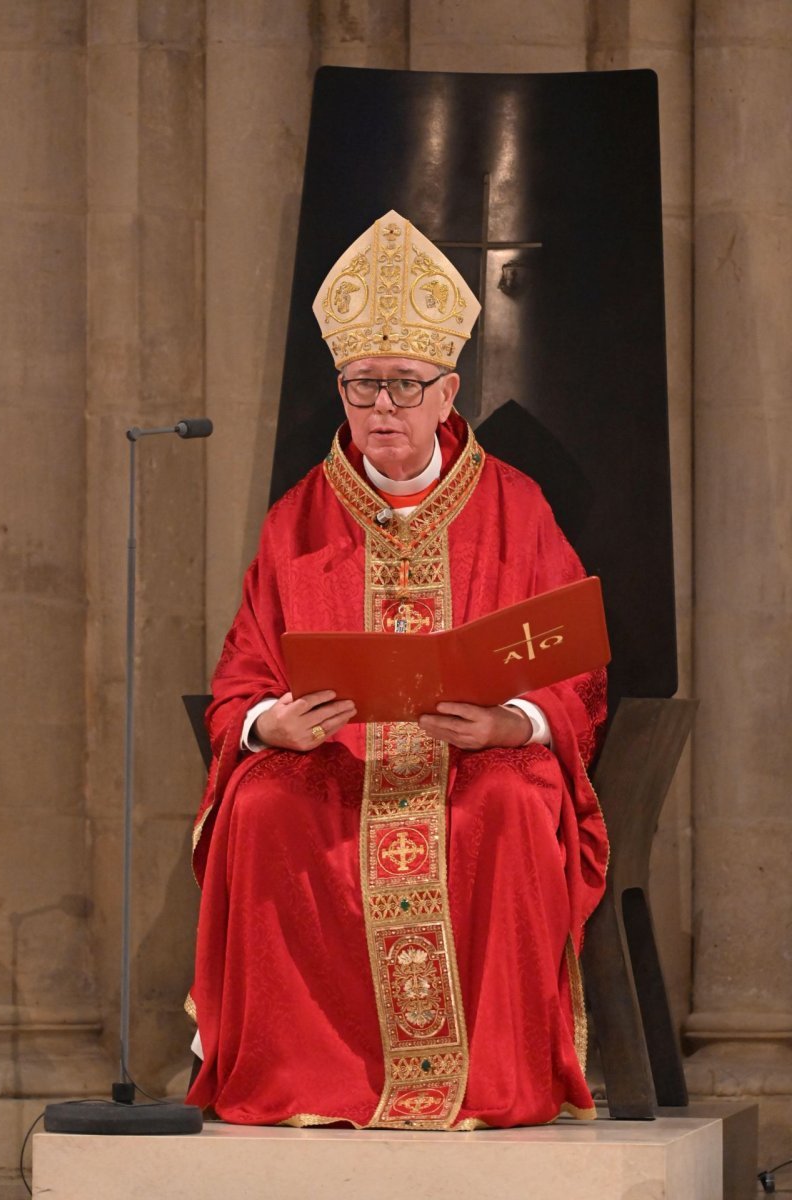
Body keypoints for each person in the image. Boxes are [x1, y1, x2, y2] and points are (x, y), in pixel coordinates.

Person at [186, 211, 608, 1130]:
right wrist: (269, 725)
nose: (382, 407)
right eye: (362, 385)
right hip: (338, 764)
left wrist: (514, 724)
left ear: (448, 389)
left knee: (510, 803)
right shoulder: (296, 520)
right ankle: (310, 1079)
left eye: (405, 386)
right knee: (259, 808)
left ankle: (493, 1077)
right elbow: (240, 676)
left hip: (471, 762)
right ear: (339, 387)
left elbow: (574, 665)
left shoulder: (516, 506)